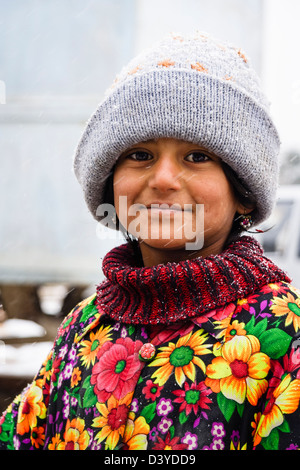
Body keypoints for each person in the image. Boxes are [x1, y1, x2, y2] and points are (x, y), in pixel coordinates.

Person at [1, 31, 300, 451]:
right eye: (140, 155)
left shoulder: (283, 338)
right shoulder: (85, 326)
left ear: (244, 193)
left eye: (197, 156)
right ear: (109, 184)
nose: (162, 179)